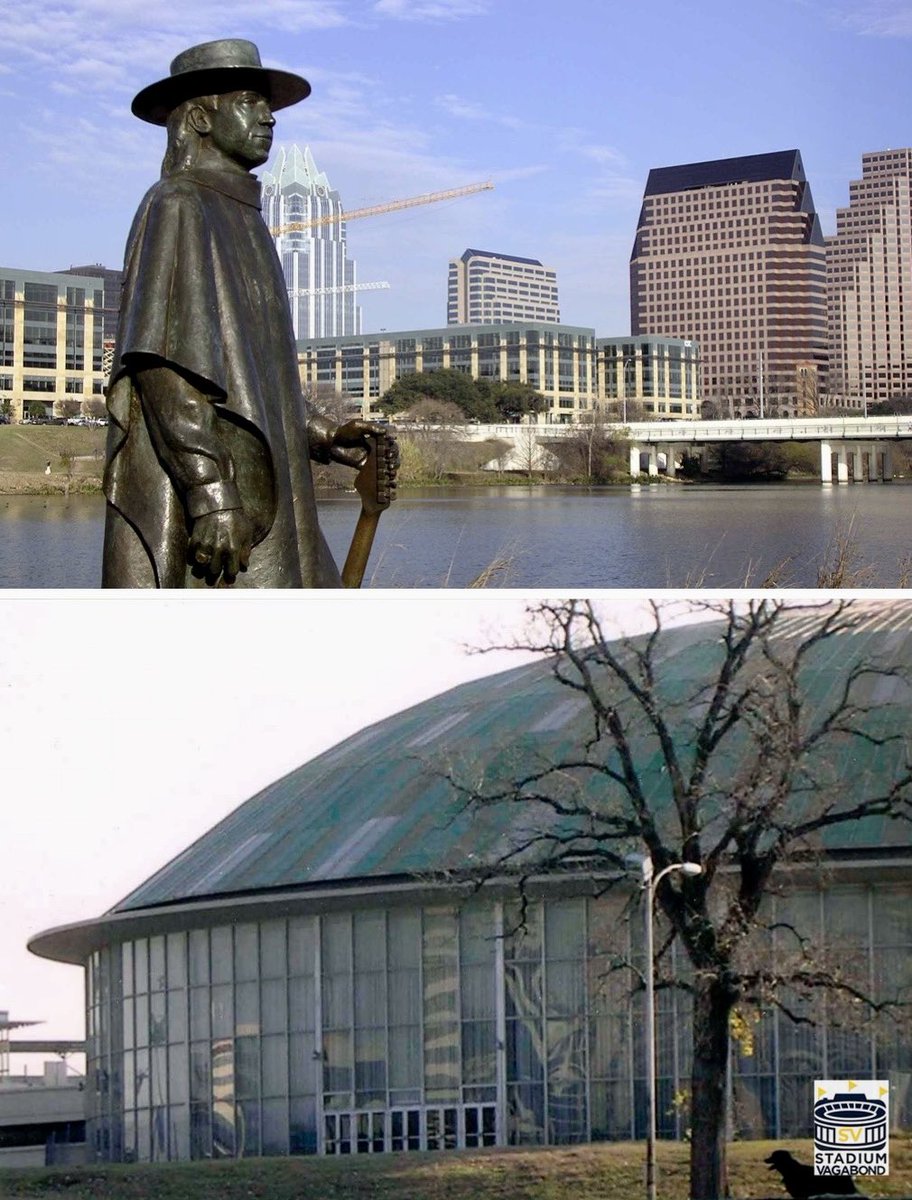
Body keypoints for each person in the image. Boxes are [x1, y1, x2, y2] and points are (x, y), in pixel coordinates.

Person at [103, 39, 386, 587]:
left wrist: (325, 434)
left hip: (272, 496)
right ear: (203, 118)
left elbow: (254, 377)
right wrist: (209, 494)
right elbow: (164, 367)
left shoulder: (249, 220)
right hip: (223, 505)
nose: (267, 117)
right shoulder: (177, 205)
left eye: (268, 106)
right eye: (250, 102)